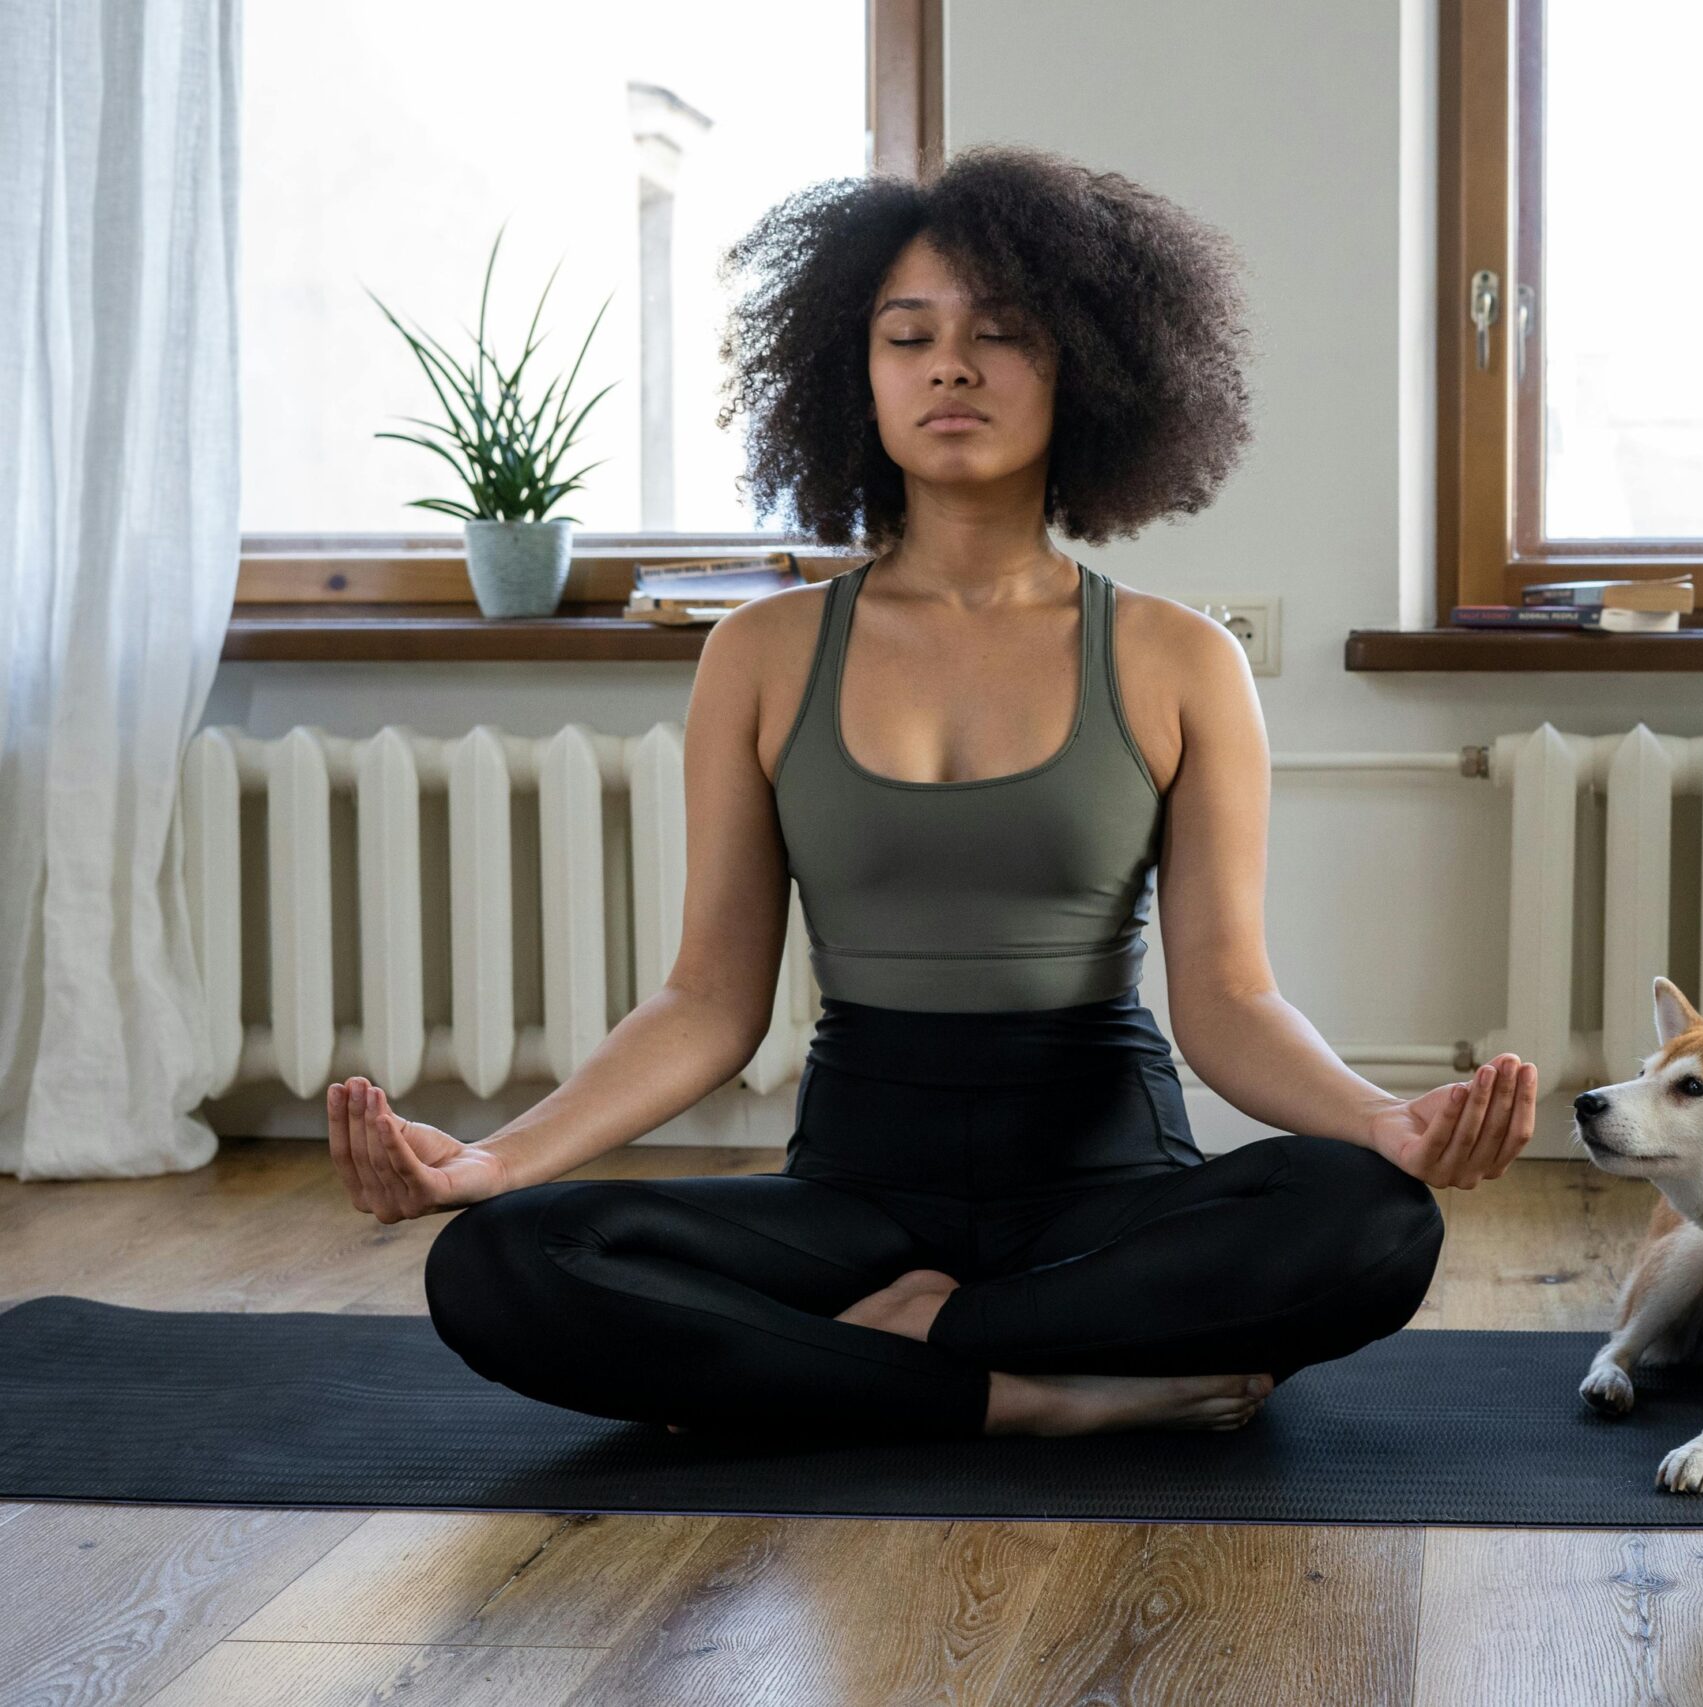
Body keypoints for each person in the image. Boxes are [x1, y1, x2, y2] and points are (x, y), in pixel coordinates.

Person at [325, 145, 1541, 1442]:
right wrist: (499, 1160)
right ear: (856, 378)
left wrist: (1377, 1122)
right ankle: (1024, 1391)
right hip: (857, 1200)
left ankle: (898, 1353)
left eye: (1000, 335)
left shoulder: (1180, 658)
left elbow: (1230, 1001)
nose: (949, 366)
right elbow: (707, 1001)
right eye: (908, 337)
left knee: (1369, 1226)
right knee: (501, 1264)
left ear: (1088, 369)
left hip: (1107, 1191)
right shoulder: (763, 653)